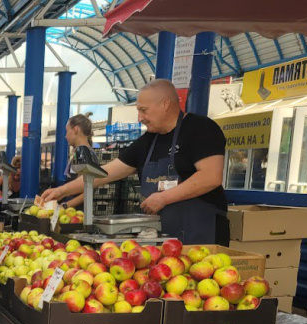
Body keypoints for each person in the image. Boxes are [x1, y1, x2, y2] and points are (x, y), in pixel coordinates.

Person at [42, 79, 227, 244]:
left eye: (143, 110)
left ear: (165, 104)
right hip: (164, 238)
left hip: (201, 235)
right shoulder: (149, 140)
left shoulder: (201, 129)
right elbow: (103, 174)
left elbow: (211, 177)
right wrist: (61, 191)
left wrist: (164, 198)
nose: (140, 118)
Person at [59, 114, 94, 208]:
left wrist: (65, 206)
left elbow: (87, 191)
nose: (66, 136)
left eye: (67, 131)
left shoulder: (85, 155)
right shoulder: (79, 153)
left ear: (75, 130)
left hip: (77, 213)